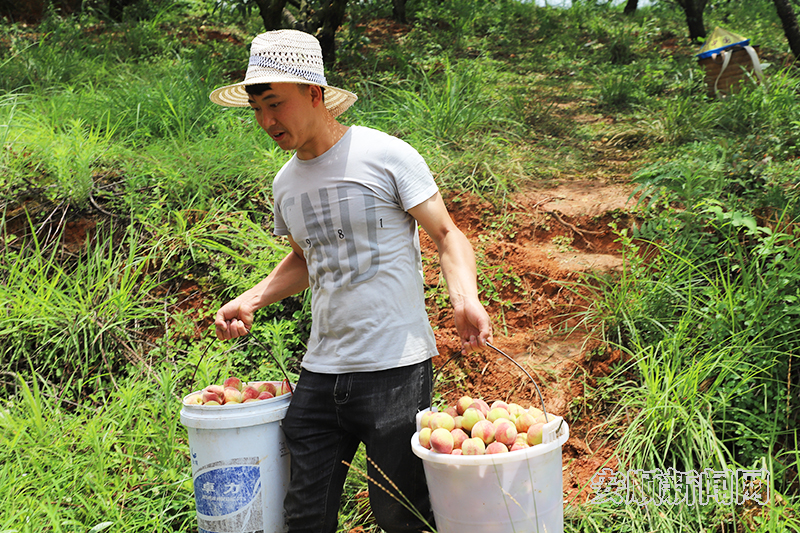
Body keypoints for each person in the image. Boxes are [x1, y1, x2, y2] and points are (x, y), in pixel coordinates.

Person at [211, 30, 492, 533]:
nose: (266, 121)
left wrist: (463, 299)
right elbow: (304, 258)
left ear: (315, 94)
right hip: (321, 372)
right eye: (256, 109)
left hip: (395, 369)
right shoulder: (285, 183)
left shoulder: (385, 155)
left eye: (275, 104)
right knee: (304, 515)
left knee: (398, 515)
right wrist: (251, 298)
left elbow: (448, 235)